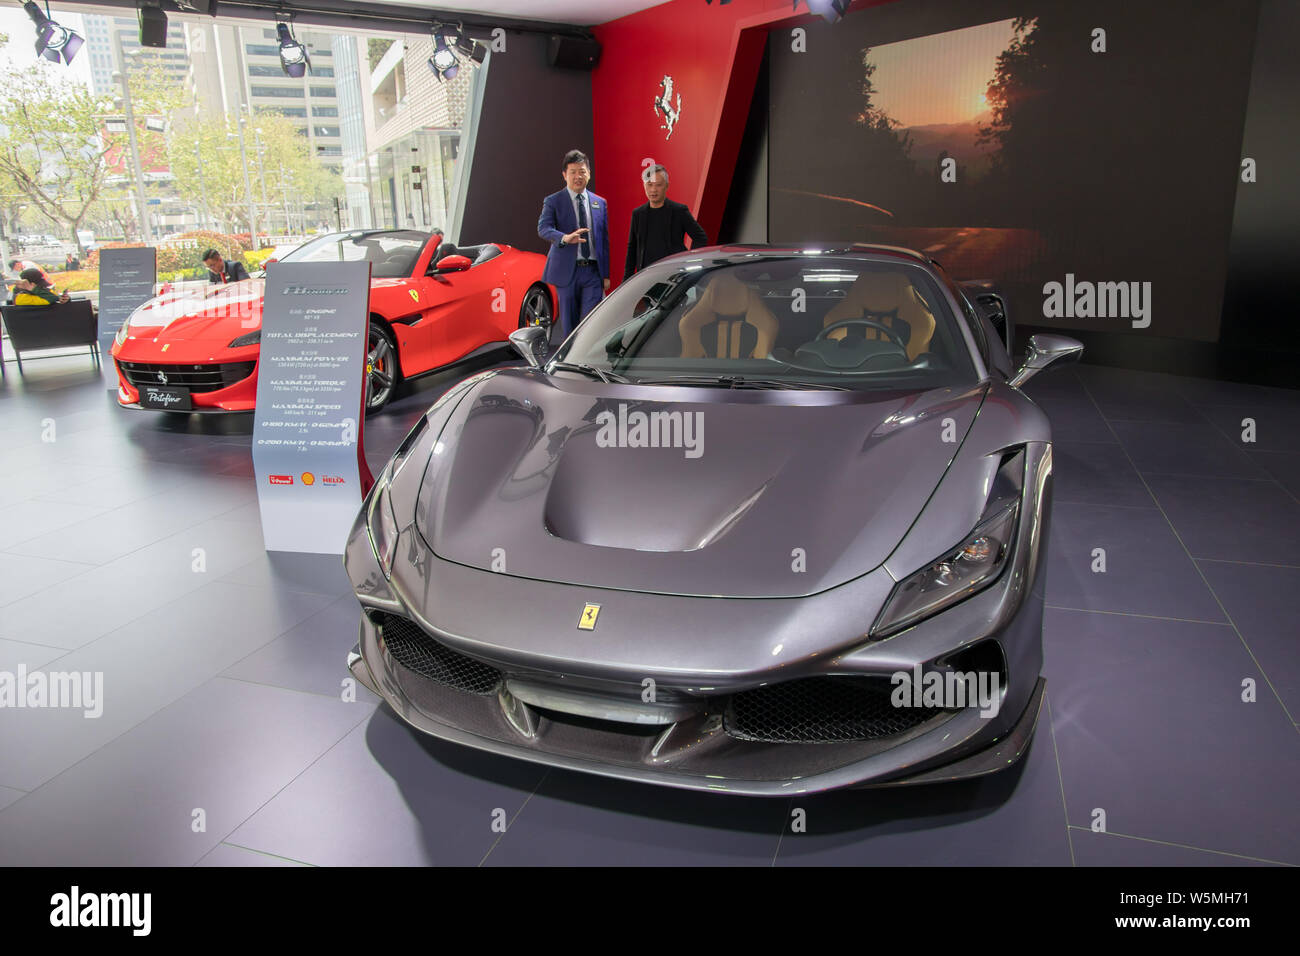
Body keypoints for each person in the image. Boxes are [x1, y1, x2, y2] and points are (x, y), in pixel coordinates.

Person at [537, 149, 610, 337]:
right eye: (573, 172)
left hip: (593, 272)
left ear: (589, 173)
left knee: (589, 322)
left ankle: (584, 362)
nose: (578, 176)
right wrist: (564, 238)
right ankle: (569, 361)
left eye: (582, 171)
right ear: (564, 175)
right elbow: (543, 228)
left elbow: (603, 240)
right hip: (567, 272)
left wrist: (606, 274)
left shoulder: (599, 202)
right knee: (569, 326)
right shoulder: (554, 201)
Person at [623, 164, 708, 281]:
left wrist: (688, 263)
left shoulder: (679, 211)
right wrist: (626, 280)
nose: (653, 189)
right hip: (646, 276)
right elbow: (632, 247)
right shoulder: (638, 213)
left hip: (673, 276)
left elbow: (700, 237)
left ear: (666, 186)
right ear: (644, 186)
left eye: (658, 185)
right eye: (649, 184)